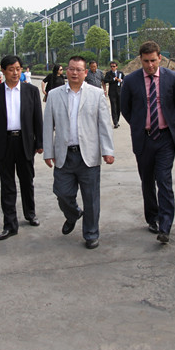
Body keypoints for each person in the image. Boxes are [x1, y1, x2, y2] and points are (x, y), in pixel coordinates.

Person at [43, 56, 115, 249]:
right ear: (66, 71)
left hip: (88, 155)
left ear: (85, 73)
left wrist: (107, 150)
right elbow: (48, 125)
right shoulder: (54, 95)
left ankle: (91, 234)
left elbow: (104, 125)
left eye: (79, 70)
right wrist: (48, 151)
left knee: (91, 198)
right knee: (62, 193)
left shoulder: (96, 94)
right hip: (64, 155)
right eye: (71, 69)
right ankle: (73, 213)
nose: (74, 73)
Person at [120, 41, 175, 244]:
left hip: (165, 138)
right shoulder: (131, 80)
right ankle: (153, 218)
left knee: (164, 180)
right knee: (147, 181)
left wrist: (166, 122)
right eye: (146, 61)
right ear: (141, 59)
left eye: (154, 61)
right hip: (144, 139)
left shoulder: (172, 77)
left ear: (160, 58)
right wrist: (140, 125)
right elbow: (125, 108)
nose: (150, 65)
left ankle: (165, 226)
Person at [0, 55, 44, 240]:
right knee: (7, 185)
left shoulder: (31, 91)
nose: (15, 73)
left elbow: (38, 118)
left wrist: (40, 143)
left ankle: (30, 214)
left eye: (18, 69)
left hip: (25, 142)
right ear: (3, 71)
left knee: (27, 181)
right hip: (4, 143)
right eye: (11, 69)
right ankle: (10, 225)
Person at [102, 61, 124, 128]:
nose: (112, 68)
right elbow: (105, 80)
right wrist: (113, 79)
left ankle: (117, 120)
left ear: (116, 67)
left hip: (119, 92)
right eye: (111, 66)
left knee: (119, 107)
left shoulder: (120, 73)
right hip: (112, 93)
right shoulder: (108, 73)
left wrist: (121, 80)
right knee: (113, 107)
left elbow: (125, 79)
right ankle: (115, 122)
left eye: (114, 66)